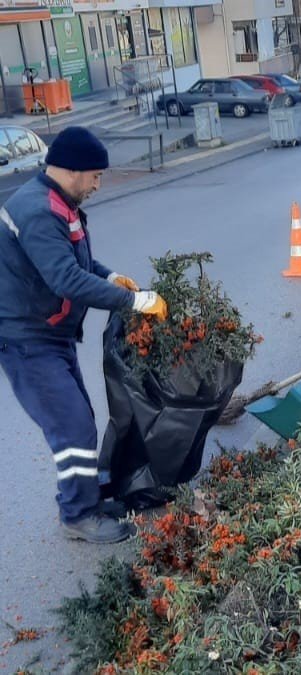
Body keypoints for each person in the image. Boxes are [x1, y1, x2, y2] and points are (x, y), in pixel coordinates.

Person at [0, 127, 167, 544]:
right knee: (73, 427)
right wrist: (135, 303)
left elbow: (78, 260)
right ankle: (78, 515)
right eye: (95, 175)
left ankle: (86, 499)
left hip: (51, 334)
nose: (98, 183)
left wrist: (110, 276)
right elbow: (66, 279)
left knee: (80, 421)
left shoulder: (60, 203)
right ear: (72, 170)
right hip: (26, 340)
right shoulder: (37, 211)